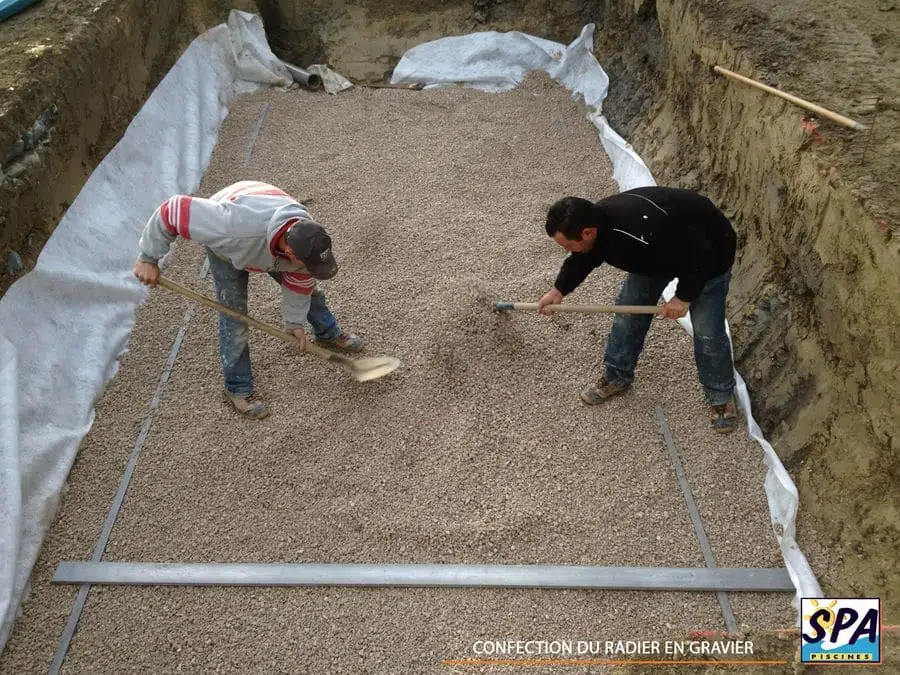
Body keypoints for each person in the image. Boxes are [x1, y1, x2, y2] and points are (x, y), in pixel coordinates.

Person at [132, 180, 362, 420]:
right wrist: (148, 257)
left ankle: (326, 332)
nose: (309, 267)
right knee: (234, 315)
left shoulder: (307, 235)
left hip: (268, 233)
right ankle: (238, 387)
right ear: (292, 253)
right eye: (308, 263)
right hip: (233, 241)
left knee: (311, 291)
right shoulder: (229, 227)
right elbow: (172, 210)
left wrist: (294, 324)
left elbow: (300, 281)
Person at [537, 186, 739, 433]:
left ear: (588, 233)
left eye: (568, 245)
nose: (568, 251)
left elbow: (700, 257)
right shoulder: (596, 226)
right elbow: (583, 257)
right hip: (659, 253)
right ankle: (616, 376)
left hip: (710, 250)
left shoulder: (639, 234)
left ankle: (720, 396)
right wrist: (558, 290)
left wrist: (683, 297)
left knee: (708, 330)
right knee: (628, 312)